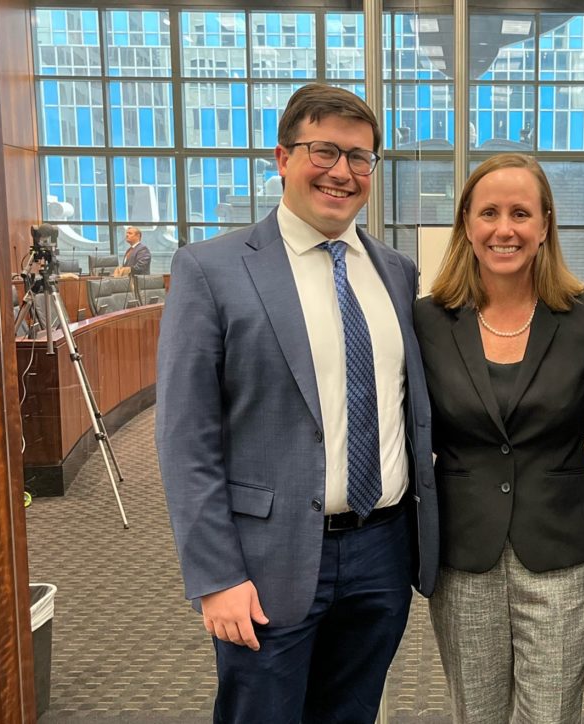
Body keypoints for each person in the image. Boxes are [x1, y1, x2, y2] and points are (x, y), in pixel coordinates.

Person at [155, 83, 438, 724]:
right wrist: (215, 576)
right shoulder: (211, 269)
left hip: (383, 551)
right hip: (265, 561)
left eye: (360, 157)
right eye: (324, 152)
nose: (342, 172)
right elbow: (185, 438)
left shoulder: (396, 272)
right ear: (282, 157)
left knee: (352, 713)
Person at [414, 153, 584, 724]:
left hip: (561, 557)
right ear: (467, 226)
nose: (505, 229)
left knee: (550, 715)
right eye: (489, 213)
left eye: (521, 213)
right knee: (475, 714)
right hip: (463, 554)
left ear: (545, 225)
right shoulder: (428, 320)